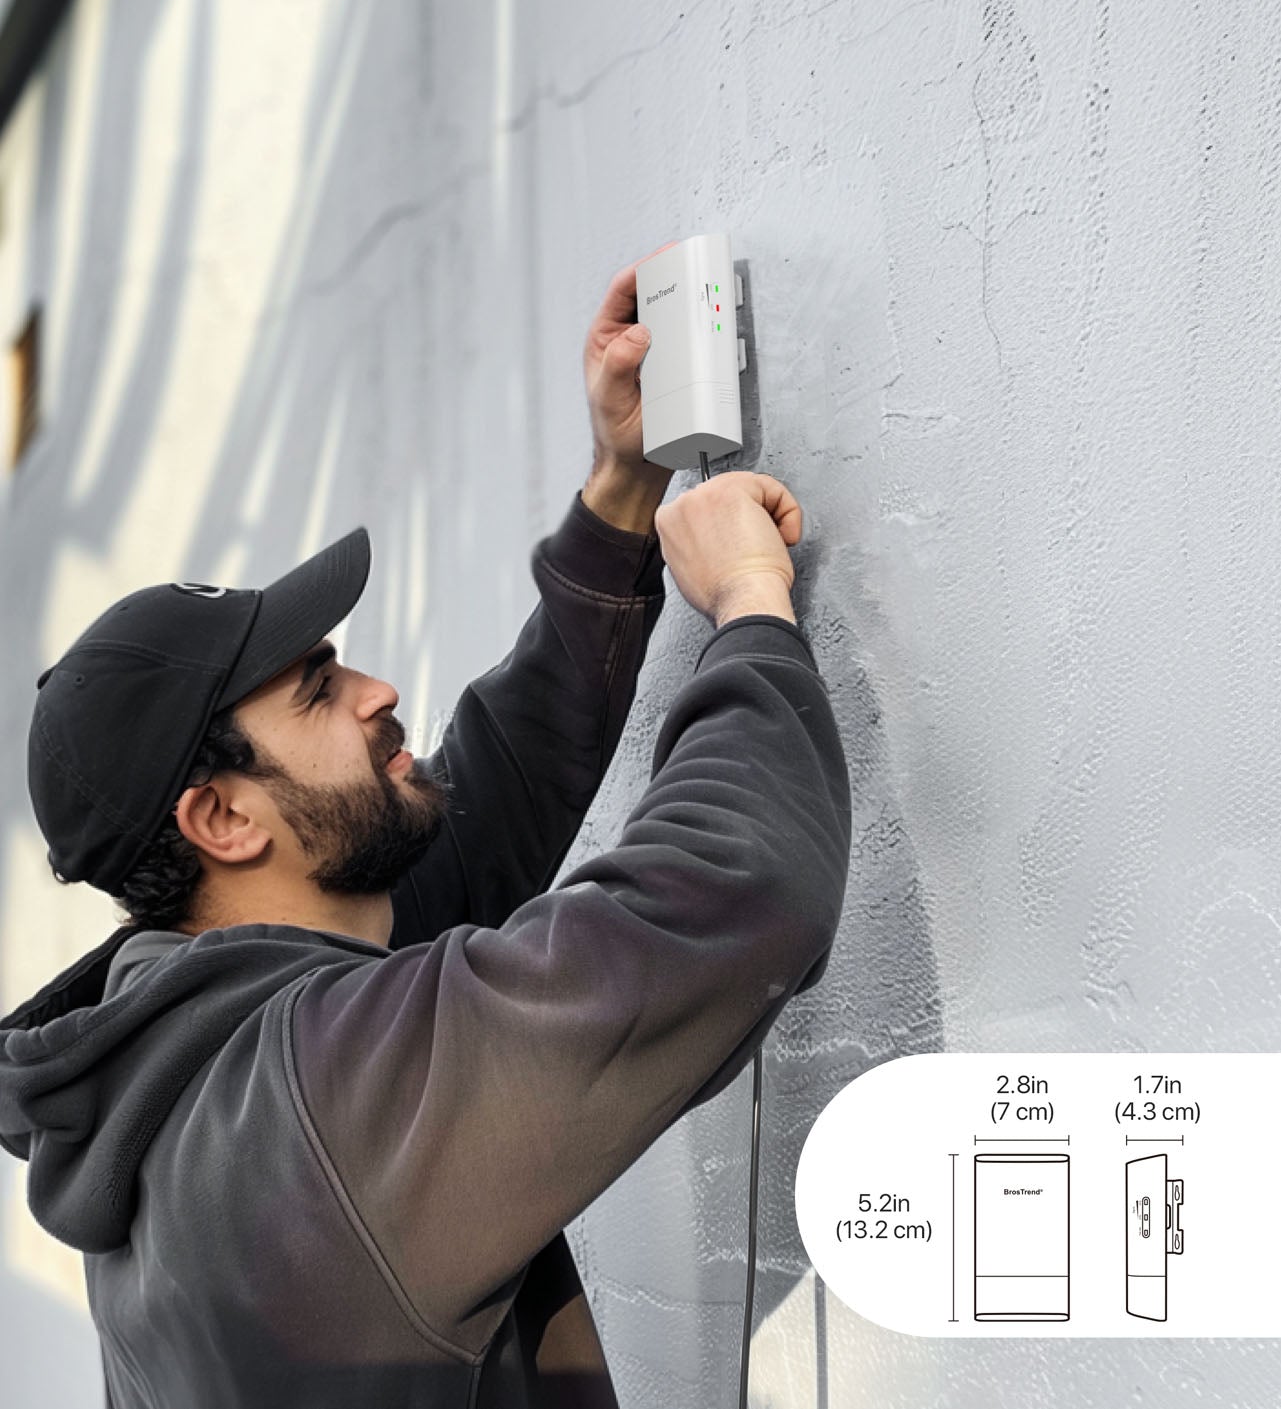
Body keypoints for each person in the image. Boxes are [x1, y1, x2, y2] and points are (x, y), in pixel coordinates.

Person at [0, 255, 852, 1409]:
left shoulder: (183, 1069)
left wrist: (619, 499)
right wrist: (751, 605)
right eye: (315, 689)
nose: (376, 690)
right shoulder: (324, 1108)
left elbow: (460, 847)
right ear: (220, 816)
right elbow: (733, 898)